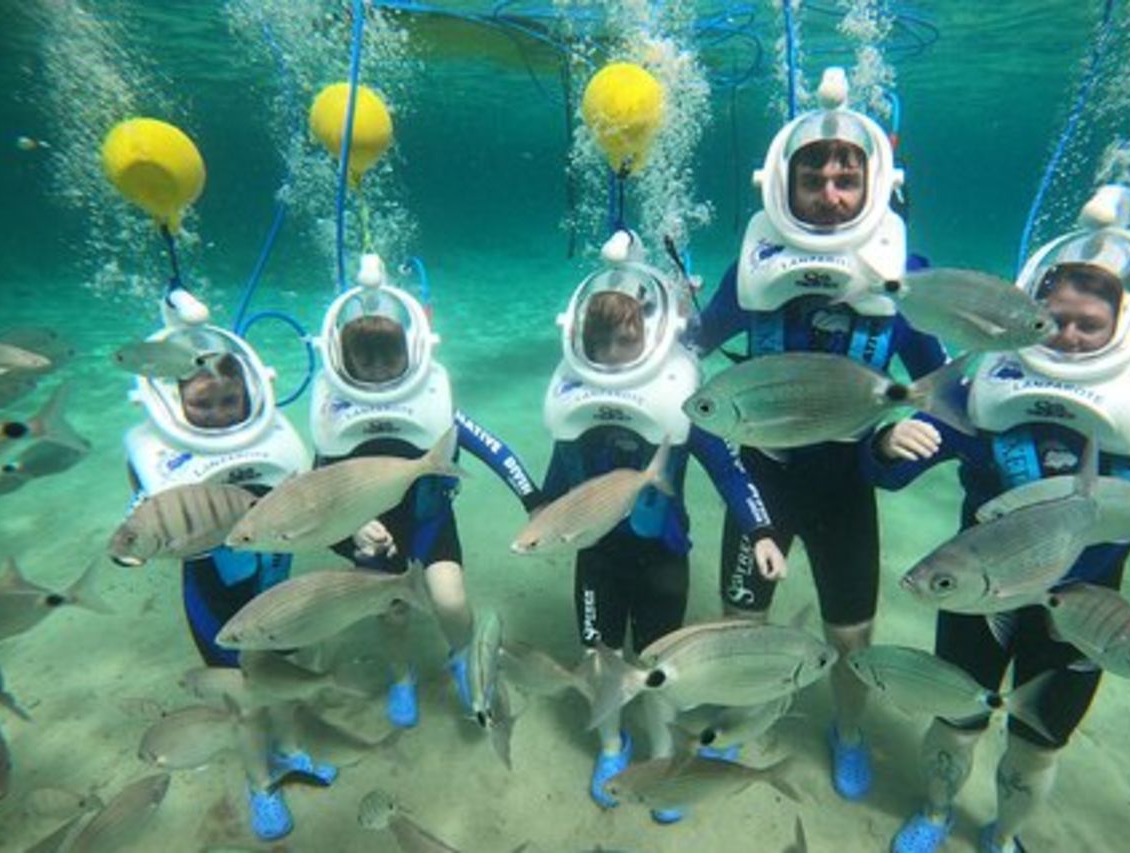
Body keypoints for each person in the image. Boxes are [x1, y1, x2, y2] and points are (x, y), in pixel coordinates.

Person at [871, 186, 1130, 853]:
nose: (1069, 335)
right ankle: (937, 809)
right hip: (973, 595)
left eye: (1090, 323)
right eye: (1054, 318)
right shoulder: (986, 386)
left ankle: (1002, 834)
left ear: (1127, 323)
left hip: (1083, 613)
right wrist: (887, 445)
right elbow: (890, 469)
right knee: (956, 719)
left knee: (1037, 744)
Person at [691, 66, 946, 800]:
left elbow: (944, 395)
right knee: (742, 620)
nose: (831, 195)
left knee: (850, 636)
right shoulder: (750, 269)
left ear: (876, 184)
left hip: (844, 483)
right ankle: (748, 721)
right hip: (764, 478)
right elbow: (691, 365)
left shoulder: (905, 274)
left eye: (846, 176)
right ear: (782, 186)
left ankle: (850, 729)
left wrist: (891, 443)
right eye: (814, 178)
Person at [539, 232, 786, 824]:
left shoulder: (678, 395)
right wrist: (542, 520)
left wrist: (762, 532)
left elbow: (729, 468)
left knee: (655, 666)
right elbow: (555, 484)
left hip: (662, 558)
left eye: (627, 338)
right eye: (601, 340)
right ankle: (609, 747)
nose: (615, 350)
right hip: (596, 557)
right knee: (599, 654)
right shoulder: (574, 398)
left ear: (650, 336)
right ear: (579, 338)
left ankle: (661, 755)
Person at [310, 252, 544, 729]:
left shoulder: (432, 399)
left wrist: (533, 500)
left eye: (388, 356)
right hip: (372, 532)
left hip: (429, 518)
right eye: (365, 358)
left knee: (451, 599)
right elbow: (319, 492)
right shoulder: (332, 410)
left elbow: (493, 449)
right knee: (391, 612)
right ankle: (401, 676)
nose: (377, 369)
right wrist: (353, 528)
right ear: (342, 358)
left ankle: (463, 659)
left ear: (411, 351)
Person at [121, 291, 316, 841]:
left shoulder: (276, 439)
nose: (217, 413)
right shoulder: (154, 453)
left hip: (277, 588)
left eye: (229, 400)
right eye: (201, 404)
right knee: (244, 702)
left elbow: (309, 502)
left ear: (250, 393)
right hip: (214, 602)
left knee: (285, 679)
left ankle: (296, 750)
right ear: (172, 401)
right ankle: (261, 784)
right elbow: (141, 523)